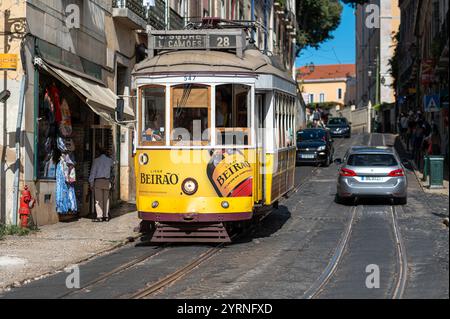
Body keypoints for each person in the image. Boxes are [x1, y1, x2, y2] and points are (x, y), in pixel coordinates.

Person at [89, 147, 114, 222]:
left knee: (98, 200)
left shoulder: (96, 160)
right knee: (106, 199)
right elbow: (113, 167)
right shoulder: (110, 161)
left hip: (98, 181)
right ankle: (106, 216)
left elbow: (93, 172)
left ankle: (99, 216)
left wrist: (91, 183)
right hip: (106, 181)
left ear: (99, 153)